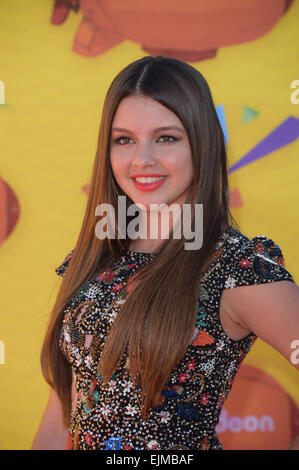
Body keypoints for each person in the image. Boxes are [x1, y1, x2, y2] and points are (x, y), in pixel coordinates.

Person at [31, 55, 299, 450]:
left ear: (201, 144)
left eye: (166, 138)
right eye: (124, 140)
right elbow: (64, 410)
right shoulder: (96, 257)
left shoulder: (236, 269)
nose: (142, 159)